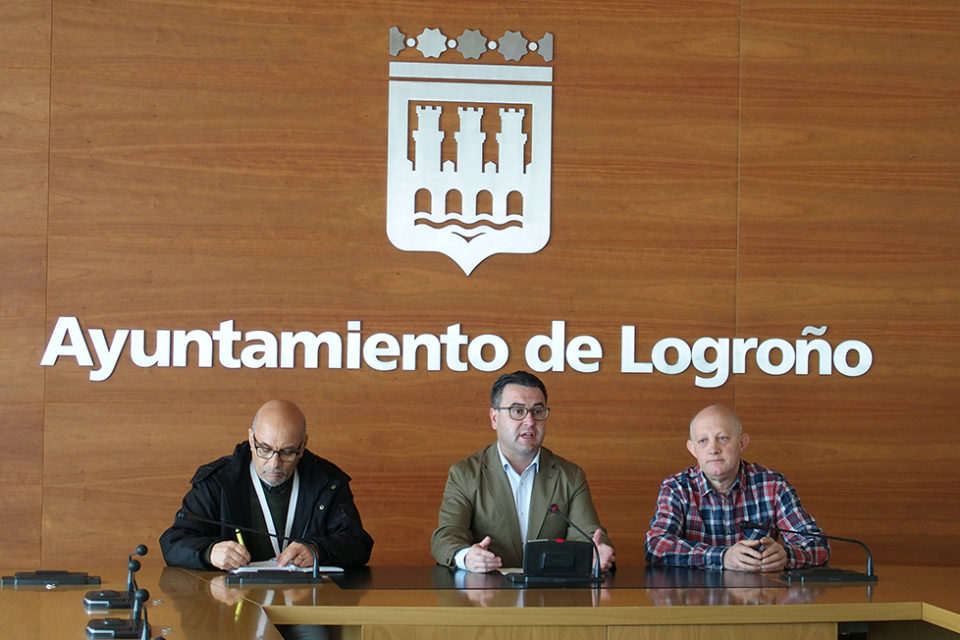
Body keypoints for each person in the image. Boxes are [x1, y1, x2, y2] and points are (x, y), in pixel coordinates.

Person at [431, 370, 615, 573]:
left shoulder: (569, 475)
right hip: (487, 595)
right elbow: (446, 535)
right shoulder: (465, 473)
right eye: (517, 411)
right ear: (494, 418)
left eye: (537, 411)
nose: (530, 421)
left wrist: (597, 552)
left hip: (551, 596)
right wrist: (466, 557)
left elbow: (589, 534)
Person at [160, 399, 373, 571]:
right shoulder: (218, 482)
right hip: (231, 601)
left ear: (303, 446)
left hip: (305, 603)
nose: (274, 463)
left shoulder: (327, 482)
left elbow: (358, 544)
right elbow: (173, 542)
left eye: (287, 452)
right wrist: (209, 552)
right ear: (251, 440)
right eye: (264, 449)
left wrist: (318, 550)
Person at [645, 404, 830, 572]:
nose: (713, 449)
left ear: (742, 443)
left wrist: (787, 556)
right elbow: (657, 546)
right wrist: (723, 557)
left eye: (723, 438)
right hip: (696, 601)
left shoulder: (773, 485)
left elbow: (818, 545)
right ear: (693, 449)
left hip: (760, 602)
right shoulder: (677, 488)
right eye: (703, 441)